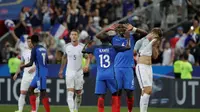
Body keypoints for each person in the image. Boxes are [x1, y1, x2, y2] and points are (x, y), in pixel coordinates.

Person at [96, 23, 147, 112]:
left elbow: (145, 33)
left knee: (129, 92)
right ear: (116, 30)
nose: (121, 30)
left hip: (128, 68)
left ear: (126, 29)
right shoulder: (113, 38)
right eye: (119, 28)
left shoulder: (132, 37)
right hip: (116, 69)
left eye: (123, 28)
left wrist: (134, 28)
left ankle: (129, 110)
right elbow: (98, 35)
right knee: (117, 92)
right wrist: (108, 29)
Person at [83, 31, 131, 112]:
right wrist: (128, 38)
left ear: (101, 40)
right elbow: (128, 47)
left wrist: (87, 43)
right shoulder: (114, 47)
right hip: (111, 75)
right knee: (115, 94)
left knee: (101, 96)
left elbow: (83, 51)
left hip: (100, 75)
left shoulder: (95, 48)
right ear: (109, 40)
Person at [58, 30, 90, 112]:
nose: (74, 36)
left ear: (78, 36)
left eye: (75, 34)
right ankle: (72, 111)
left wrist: (86, 65)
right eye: (72, 34)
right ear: (70, 36)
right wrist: (61, 70)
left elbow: (87, 57)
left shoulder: (82, 46)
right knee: (70, 92)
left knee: (78, 93)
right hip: (69, 72)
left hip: (79, 72)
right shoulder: (66, 46)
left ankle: (76, 109)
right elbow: (64, 58)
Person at [134, 28, 162, 112]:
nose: (156, 37)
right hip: (141, 66)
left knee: (147, 91)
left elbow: (155, 56)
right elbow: (134, 53)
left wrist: (154, 46)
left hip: (149, 67)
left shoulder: (154, 43)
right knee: (147, 90)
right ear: (152, 33)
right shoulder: (141, 41)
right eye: (156, 34)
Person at [20, 34, 50, 112]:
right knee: (30, 89)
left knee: (43, 92)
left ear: (32, 41)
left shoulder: (34, 49)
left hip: (40, 73)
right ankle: (33, 110)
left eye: (30, 42)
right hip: (41, 72)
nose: (30, 44)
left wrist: (23, 66)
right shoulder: (43, 48)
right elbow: (47, 60)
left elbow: (30, 63)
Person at [13, 37, 40, 112]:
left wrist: (34, 68)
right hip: (26, 75)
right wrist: (16, 73)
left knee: (36, 94)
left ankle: (35, 110)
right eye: (28, 41)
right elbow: (21, 64)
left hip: (35, 75)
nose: (29, 43)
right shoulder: (24, 52)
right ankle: (20, 110)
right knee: (22, 93)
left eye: (31, 41)